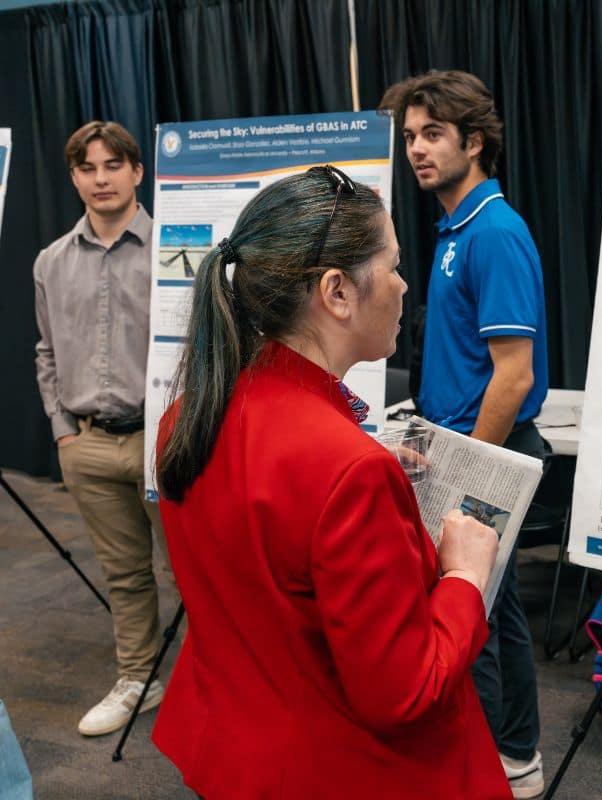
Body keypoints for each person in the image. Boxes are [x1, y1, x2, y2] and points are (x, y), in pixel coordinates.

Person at [152, 166, 509, 798]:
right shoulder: (346, 468)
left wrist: (365, 472)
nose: (403, 286)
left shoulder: (190, 415)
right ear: (337, 291)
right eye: (394, 266)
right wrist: (464, 578)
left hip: (235, 750)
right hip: (339, 768)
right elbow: (408, 692)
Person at [381, 70, 547, 798]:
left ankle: (493, 765)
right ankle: (514, 756)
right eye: (411, 136)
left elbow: (513, 375)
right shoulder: (457, 227)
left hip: (487, 452)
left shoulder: (496, 232)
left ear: (473, 142)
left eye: (433, 135)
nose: (417, 149)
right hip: (455, 443)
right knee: (489, 607)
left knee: (466, 614)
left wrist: (468, 469)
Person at [32, 120, 174, 736]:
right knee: (124, 573)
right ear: (74, 178)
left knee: (198, 571)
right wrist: (64, 431)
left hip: (162, 442)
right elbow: (46, 351)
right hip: (88, 444)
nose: (100, 179)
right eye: (87, 169)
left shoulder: (176, 244)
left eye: (113, 165)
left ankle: (222, 678)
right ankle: (139, 677)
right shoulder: (50, 261)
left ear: (137, 172)